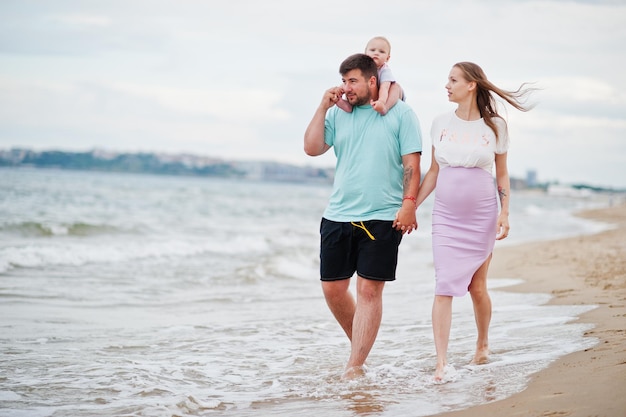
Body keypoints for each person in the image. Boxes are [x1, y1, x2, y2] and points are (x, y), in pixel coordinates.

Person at [414, 62, 536, 382]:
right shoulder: (439, 123)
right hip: (445, 217)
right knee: (444, 285)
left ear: (471, 85)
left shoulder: (495, 126)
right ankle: (442, 362)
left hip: (481, 215)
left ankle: (482, 342)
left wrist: (505, 211)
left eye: (453, 80)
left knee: (476, 287)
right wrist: (411, 205)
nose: (447, 85)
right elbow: (433, 172)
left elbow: (503, 172)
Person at [304, 53, 422, 378]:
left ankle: (354, 366)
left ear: (372, 81)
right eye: (343, 81)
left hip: (383, 217)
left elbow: (412, 165)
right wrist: (322, 107)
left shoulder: (402, 114)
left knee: (369, 291)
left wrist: (409, 203)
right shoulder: (338, 115)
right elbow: (312, 148)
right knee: (333, 289)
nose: (346, 87)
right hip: (337, 215)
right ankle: (361, 348)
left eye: (352, 80)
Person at [336, 36, 405, 115]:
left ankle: (385, 107)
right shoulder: (362, 67)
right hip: (372, 92)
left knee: (395, 87)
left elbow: (384, 88)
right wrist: (339, 90)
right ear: (365, 53)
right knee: (350, 85)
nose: (376, 53)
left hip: (388, 94)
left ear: (387, 58)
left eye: (381, 52)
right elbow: (350, 80)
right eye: (372, 50)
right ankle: (346, 106)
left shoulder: (385, 70)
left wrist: (381, 101)